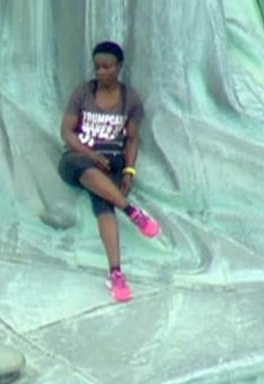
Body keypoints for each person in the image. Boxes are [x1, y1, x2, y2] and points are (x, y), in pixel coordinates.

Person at [58, 41, 159, 303]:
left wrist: (128, 172)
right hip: (78, 158)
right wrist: (91, 155)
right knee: (81, 166)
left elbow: (133, 139)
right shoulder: (83, 92)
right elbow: (66, 132)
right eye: (97, 67)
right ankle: (131, 211)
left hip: (111, 162)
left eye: (106, 67)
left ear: (119, 67)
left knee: (103, 203)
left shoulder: (130, 99)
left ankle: (116, 274)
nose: (100, 72)